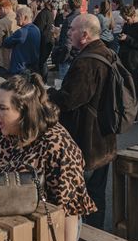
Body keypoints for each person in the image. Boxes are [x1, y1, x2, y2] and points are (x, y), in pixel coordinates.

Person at [0, 73, 96, 241]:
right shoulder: (0, 131)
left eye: (2, 108)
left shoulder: (56, 144)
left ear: (24, 113)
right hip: (0, 218)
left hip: (40, 231)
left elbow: (69, 211)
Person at [48, 13, 119, 228]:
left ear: (85, 35)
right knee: (96, 191)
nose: (68, 33)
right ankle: (95, 234)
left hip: (88, 141)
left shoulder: (87, 62)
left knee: (84, 194)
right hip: (104, 136)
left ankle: (88, 238)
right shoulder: (106, 52)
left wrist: (49, 92)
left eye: (72, 30)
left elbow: (70, 100)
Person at [118, 5, 138, 99]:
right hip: (124, 59)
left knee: (132, 87)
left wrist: (128, 39)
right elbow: (124, 38)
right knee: (124, 87)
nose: (126, 21)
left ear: (133, 16)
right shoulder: (127, 25)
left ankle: (134, 109)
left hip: (134, 62)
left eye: (127, 19)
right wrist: (121, 38)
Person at [2, 6, 41, 75]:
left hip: (19, 69)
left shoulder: (21, 32)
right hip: (32, 67)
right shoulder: (36, 29)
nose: (15, 18)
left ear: (25, 18)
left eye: (18, 16)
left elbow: (6, 43)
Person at [52, 0, 82, 79]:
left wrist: (62, 57)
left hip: (68, 58)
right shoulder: (81, 17)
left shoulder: (69, 20)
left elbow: (67, 42)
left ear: (69, 5)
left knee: (65, 84)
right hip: (76, 55)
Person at [0, 0, 19, 77]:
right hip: (16, 58)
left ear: (3, 8)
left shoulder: (1, 22)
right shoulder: (18, 18)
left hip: (4, 59)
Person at [32, 0, 55, 76]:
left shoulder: (43, 14)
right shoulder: (49, 12)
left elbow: (38, 29)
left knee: (42, 63)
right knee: (43, 62)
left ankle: (42, 81)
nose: (37, 4)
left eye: (37, 2)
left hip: (43, 42)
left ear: (41, 3)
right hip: (47, 41)